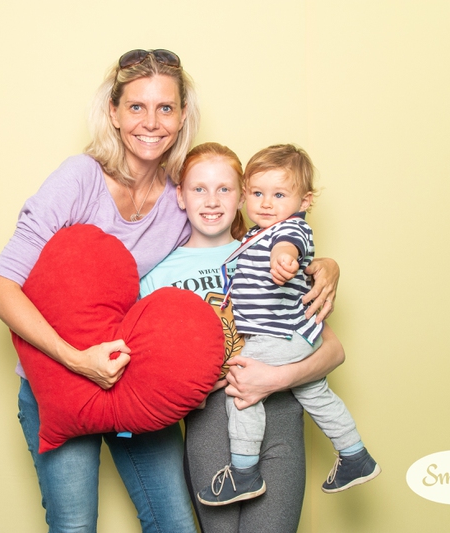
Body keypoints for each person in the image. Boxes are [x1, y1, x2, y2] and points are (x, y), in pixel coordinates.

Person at [0, 48, 339, 532]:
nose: (151, 122)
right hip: (62, 380)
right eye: (136, 106)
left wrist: (322, 266)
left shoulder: (182, 195)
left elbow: (250, 244)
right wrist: (77, 359)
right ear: (113, 112)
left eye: (165, 108)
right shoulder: (79, 179)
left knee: (174, 523)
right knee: (74, 525)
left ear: (182, 115)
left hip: (137, 382)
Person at [139, 143, 346, 532]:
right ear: (180, 196)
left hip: (282, 415)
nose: (212, 201)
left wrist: (274, 378)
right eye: (199, 189)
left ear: (242, 197)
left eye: (225, 189)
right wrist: (194, 389)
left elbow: (332, 350)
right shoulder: (156, 276)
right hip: (212, 425)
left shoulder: (273, 255)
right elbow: (147, 373)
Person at [193, 144, 380, 510]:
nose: (266, 204)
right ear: (245, 194)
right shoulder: (254, 234)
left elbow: (288, 246)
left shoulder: (290, 229)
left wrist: (284, 260)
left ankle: (244, 472)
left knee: (242, 388)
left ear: (304, 201)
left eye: (279, 195)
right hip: (299, 334)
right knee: (316, 393)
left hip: (276, 334)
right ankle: (355, 455)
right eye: (257, 193)